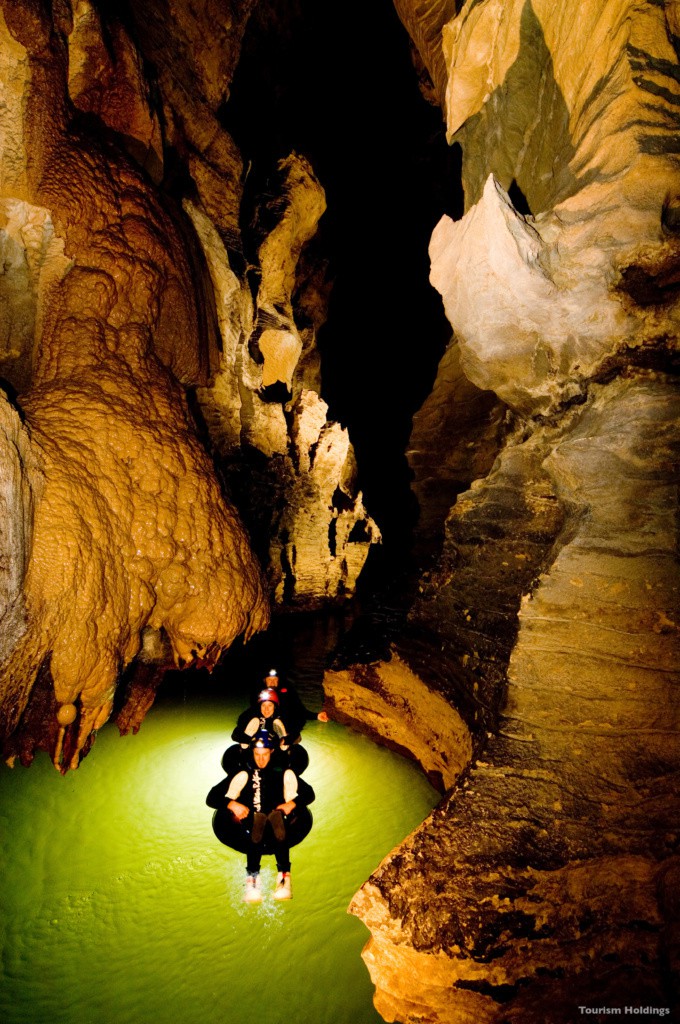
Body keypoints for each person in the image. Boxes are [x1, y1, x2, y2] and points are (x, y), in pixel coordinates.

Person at [208, 735, 313, 902]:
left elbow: (309, 794)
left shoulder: (281, 771)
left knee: (277, 822)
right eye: (257, 754)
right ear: (252, 752)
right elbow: (211, 798)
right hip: (252, 820)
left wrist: (292, 803)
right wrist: (232, 804)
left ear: (271, 752)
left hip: (277, 819)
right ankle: (253, 881)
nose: (261, 759)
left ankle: (285, 879)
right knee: (257, 826)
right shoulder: (244, 772)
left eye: (265, 754)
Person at [256, 668, 329, 737]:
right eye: (269, 679)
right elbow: (254, 711)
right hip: (266, 723)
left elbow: (299, 709)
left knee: (296, 722)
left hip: (284, 724)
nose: (272, 682)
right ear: (264, 680)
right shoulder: (259, 693)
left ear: (278, 680)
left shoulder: (287, 692)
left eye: (275, 679)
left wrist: (316, 716)